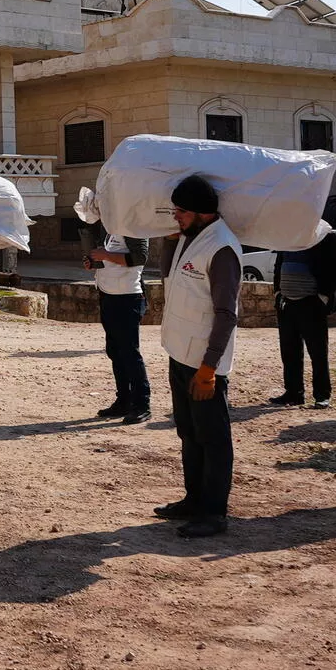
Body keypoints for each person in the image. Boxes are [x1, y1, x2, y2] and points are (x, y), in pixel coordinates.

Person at [154, 176, 241, 539]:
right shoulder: (191, 240)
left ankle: (214, 512)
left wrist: (209, 367)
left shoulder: (221, 248)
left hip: (204, 363)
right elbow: (167, 278)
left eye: (181, 212)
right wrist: (169, 241)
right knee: (189, 432)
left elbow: (226, 314)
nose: (176, 217)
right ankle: (194, 499)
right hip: (180, 353)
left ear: (201, 213)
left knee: (212, 437)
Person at [268, 231, 336, 408]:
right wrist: (278, 292)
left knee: (318, 353)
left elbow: (335, 269)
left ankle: (322, 395)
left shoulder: (326, 236)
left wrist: (322, 297)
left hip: (312, 303)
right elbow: (279, 264)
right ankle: (293, 393)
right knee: (289, 351)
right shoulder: (287, 235)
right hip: (287, 303)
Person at [85, 225, 151, 423]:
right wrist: (94, 261)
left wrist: (105, 255)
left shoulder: (134, 226)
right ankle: (124, 400)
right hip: (108, 295)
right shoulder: (110, 227)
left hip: (127, 297)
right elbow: (110, 258)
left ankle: (142, 404)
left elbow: (140, 257)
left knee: (130, 352)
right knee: (115, 351)